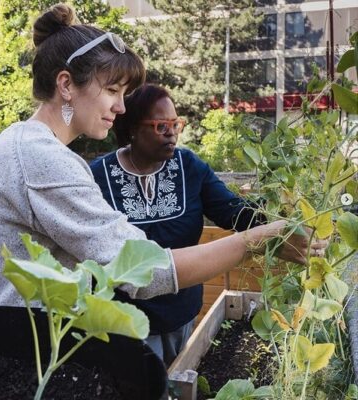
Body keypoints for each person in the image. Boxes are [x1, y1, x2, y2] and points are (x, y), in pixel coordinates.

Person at [0, 4, 323, 325]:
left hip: (6, 344)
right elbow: (143, 271)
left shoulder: (24, 144)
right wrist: (254, 241)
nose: (120, 108)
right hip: (7, 352)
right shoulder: (41, 159)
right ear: (66, 85)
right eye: (113, 90)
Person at [90, 84, 265, 365]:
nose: (172, 132)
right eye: (161, 125)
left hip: (181, 315)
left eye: (176, 124)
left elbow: (236, 213)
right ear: (133, 128)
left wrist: (283, 217)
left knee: (179, 381)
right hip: (122, 324)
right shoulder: (97, 177)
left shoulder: (189, 167)